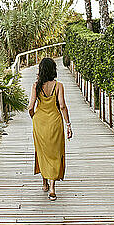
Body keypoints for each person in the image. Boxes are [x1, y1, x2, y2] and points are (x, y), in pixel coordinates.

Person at [28, 57, 72, 201]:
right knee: (54, 152)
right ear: (53, 69)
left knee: (42, 151)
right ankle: (52, 188)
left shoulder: (36, 86)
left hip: (40, 122)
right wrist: (68, 124)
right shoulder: (58, 85)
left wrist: (34, 117)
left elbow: (30, 107)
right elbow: (62, 106)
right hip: (55, 122)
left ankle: (44, 182)